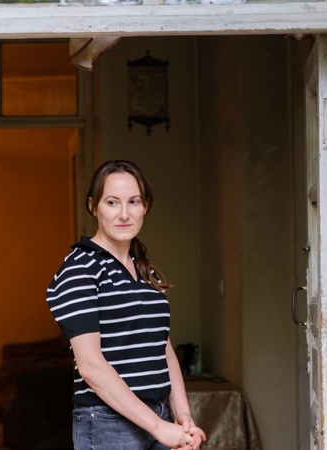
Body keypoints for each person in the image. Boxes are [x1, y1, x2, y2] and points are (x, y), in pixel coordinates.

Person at [46, 159, 206, 450]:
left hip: (160, 415)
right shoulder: (79, 270)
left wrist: (182, 416)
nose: (124, 214)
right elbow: (91, 367)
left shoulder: (146, 269)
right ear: (93, 206)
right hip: (108, 425)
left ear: (146, 206)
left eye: (133, 201)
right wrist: (159, 427)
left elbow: (163, 346)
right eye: (112, 202)